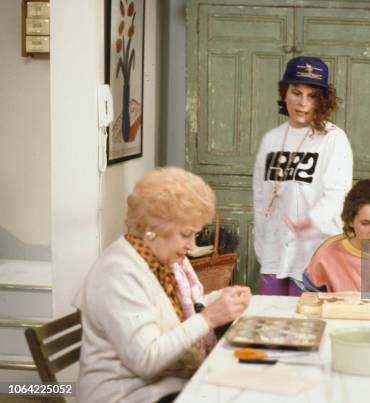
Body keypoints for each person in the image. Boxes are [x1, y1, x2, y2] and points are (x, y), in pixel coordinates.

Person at [76, 167, 251, 403]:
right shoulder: (118, 274)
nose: (191, 245)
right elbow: (146, 360)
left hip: (164, 384)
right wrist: (209, 318)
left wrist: (222, 300)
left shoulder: (157, 261)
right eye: (186, 234)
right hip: (127, 395)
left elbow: (172, 314)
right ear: (152, 230)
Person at [253, 56, 353, 296]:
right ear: (284, 93)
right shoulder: (271, 139)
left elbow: (337, 195)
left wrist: (311, 220)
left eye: (312, 96)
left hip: (315, 252)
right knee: (270, 322)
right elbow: (260, 198)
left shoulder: (333, 138)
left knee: (307, 325)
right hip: (274, 253)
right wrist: (261, 246)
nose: (303, 103)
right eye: (296, 93)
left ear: (323, 100)